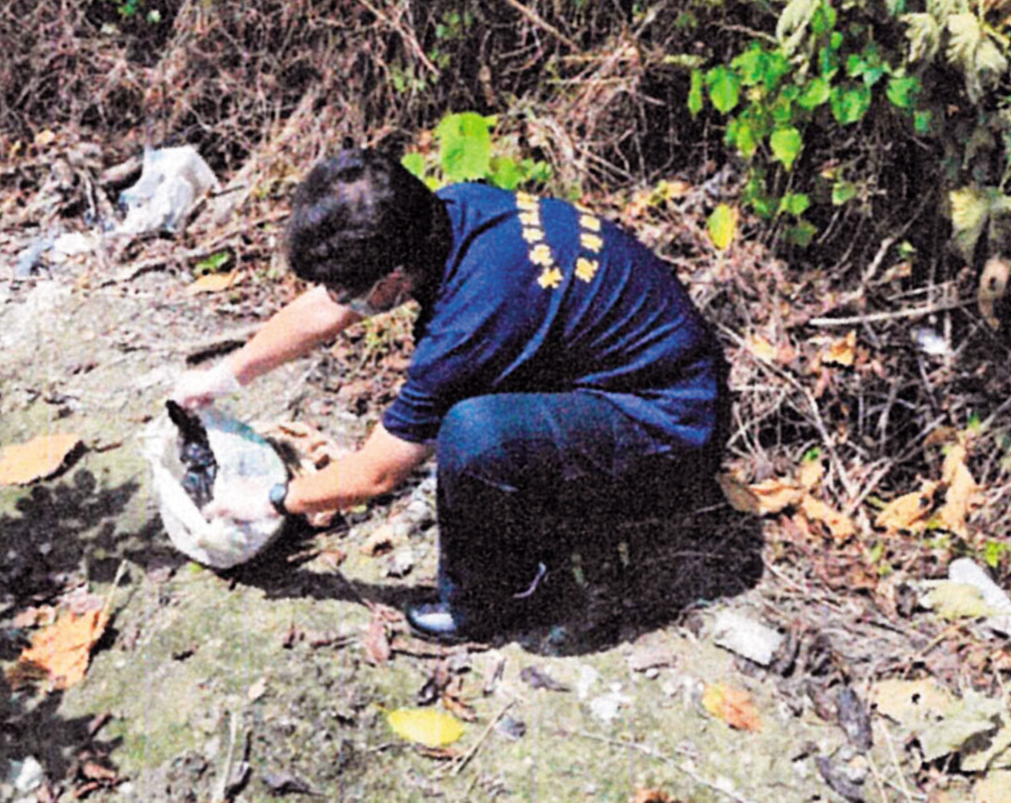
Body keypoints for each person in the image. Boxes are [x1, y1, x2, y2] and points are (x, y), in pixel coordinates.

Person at [171, 148, 726, 640]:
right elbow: (327, 307)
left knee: (473, 434)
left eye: (349, 288)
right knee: (472, 415)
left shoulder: (472, 319)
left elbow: (377, 474)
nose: (339, 298)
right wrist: (228, 374)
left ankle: (491, 602)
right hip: (646, 374)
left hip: (670, 431)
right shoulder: (449, 212)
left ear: (390, 281)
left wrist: (273, 499)